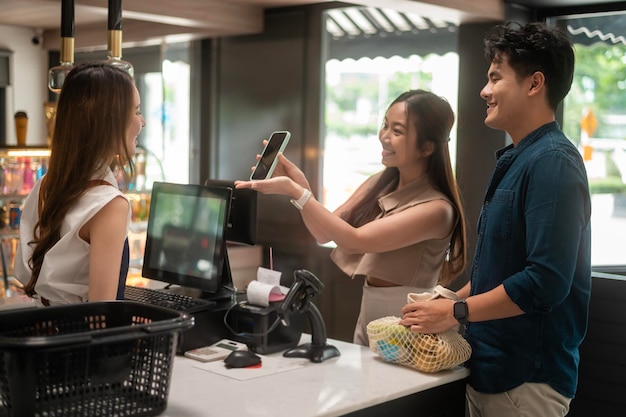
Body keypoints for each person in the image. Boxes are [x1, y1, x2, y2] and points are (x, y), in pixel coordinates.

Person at [399, 22, 591, 417]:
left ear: (534, 84)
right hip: (491, 369)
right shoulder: (521, 157)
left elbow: (544, 282)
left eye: (495, 78)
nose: (484, 91)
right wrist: (451, 299)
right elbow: (500, 271)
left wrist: (454, 312)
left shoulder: (553, 163)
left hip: (525, 379)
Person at [236, 89, 467, 346]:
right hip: (371, 313)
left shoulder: (437, 209)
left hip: (410, 324)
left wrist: (297, 192)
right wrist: (301, 188)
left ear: (427, 147)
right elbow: (324, 233)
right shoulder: (381, 181)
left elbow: (355, 241)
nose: (384, 137)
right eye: (385, 125)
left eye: (397, 131)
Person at [14, 62, 145, 305]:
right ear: (110, 121)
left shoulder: (46, 184)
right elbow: (99, 317)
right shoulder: (110, 205)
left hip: (47, 333)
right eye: (136, 111)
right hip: (80, 340)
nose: (142, 122)